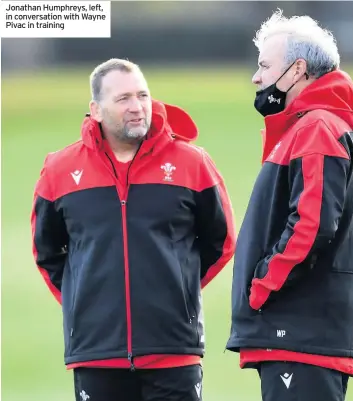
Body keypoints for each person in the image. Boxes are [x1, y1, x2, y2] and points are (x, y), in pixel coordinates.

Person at [31, 58, 236, 401]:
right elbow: (46, 252)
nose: (137, 107)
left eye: (142, 95)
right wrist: (85, 302)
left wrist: (175, 287)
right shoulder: (59, 170)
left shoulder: (193, 162)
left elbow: (222, 241)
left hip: (173, 350)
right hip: (96, 352)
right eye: (123, 99)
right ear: (96, 110)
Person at [226, 10, 353, 401]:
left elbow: (310, 226)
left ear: (297, 70)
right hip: (300, 335)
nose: (257, 78)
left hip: (300, 335)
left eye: (264, 66)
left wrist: (261, 286)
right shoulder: (309, 127)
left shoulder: (316, 128)